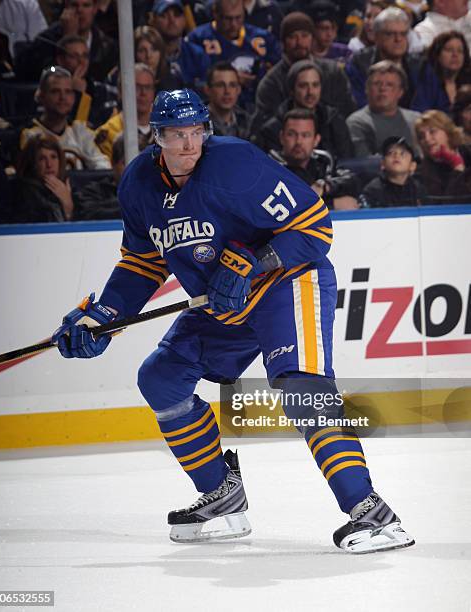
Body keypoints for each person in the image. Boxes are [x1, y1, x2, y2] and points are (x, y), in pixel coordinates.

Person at [52, 88, 415, 552]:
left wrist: (255, 260)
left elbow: (316, 227)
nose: (188, 145)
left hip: (287, 283)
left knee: (302, 389)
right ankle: (222, 497)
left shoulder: (236, 165)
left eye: (196, 132)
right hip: (222, 302)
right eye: (176, 135)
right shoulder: (138, 184)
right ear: (156, 136)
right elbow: (142, 264)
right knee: (161, 377)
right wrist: (102, 316)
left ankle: (371, 513)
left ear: (207, 130)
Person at [254, 12, 356, 126]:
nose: (299, 42)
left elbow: (348, 113)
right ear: (283, 42)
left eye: (304, 35)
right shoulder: (271, 83)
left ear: (312, 39)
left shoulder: (333, 72)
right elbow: (267, 128)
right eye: (292, 37)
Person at [345, 6, 446, 110]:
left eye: (403, 34)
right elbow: (356, 104)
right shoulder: (359, 64)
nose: (398, 39)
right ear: (376, 36)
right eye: (390, 34)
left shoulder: (421, 66)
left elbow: (440, 104)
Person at [187, 0, 281, 108]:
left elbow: (278, 72)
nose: (233, 24)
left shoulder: (263, 38)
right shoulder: (197, 39)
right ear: (215, 14)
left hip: (257, 104)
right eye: (228, 19)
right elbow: (191, 80)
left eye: (238, 18)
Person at [253, 59, 354, 159]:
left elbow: (347, 162)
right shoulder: (272, 129)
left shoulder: (334, 121)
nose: (310, 92)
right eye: (303, 86)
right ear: (292, 90)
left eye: (315, 85)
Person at [20, 66, 111, 170]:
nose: (63, 97)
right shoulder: (30, 135)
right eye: (55, 91)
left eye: (68, 91)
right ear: (41, 96)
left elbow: (103, 165)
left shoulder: (79, 131)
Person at [270, 108, 360, 210]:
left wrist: (326, 186)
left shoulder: (323, 160)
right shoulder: (269, 167)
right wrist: (331, 205)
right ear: (282, 137)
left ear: (316, 140)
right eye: (292, 134)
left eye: (305, 135)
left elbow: (351, 180)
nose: (299, 141)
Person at [15, 0, 117, 82]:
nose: (80, 10)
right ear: (66, 7)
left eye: (86, 5)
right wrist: (68, 40)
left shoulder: (106, 46)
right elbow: (44, 72)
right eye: (74, 5)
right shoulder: (46, 40)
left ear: (95, 9)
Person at [347, 60, 421, 157]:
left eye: (389, 85)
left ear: (400, 92)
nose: (382, 89)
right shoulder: (357, 122)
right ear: (366, 89)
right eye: (377, 83)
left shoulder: (415, 120)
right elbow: (363, 163)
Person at [95, 63, 156, 161]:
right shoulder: (108, 133)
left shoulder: (165, 130)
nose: (143, 93)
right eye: (137, 87)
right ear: (121, 91)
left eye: (148, 87)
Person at [55, 34, 118, 128]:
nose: (81, 61)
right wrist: (77, 94)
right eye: (74, 56)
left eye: (85, 56)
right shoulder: (53, 92)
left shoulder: (102, 91)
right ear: (60, 60)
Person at [13, 134, 77, 222]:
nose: (49, 164)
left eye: (53, 157)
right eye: (41, 159)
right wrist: (67, 208)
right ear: (32, 163)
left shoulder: (69, 187)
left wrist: (68, 205)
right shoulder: (22, 193)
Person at [149, 1, 211, 91]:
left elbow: (205, 94)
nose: (172, 21)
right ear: (153, 20)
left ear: (184, 20)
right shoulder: (146, 54)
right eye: (164, 15)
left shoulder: (197, 55)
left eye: (177, 15)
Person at [414, 109, 471, 203]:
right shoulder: (424, 171)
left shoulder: (468, 153)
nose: (427, 139)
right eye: (421, 136)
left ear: (448, 132)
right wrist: (457, 167)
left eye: (432, 132)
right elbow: (445, 206)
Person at [358, 136, 426, 207]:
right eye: (390, 153)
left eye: (402, 153)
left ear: (412, 166)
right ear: (383, 164)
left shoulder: (418, 189)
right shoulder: (373, 191)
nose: (396, 155)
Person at [413, 31, 471, 114]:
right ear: (437, 54)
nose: (455, 55)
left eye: (460, 51)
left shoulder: (467, 84)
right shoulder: (427, 82)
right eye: (449, 50)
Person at [74, 134, 123, 219]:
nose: (132, 169)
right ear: (113, 163)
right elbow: (88, 214)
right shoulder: (93, 192)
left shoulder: (152, 191)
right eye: (124, 163)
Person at [205, 61, 251, 139]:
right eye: (220, 85)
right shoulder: (196, 126)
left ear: (238, 90)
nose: (227, 91)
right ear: (208, 90)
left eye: (232, 85)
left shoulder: (248, 122)